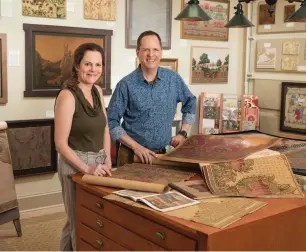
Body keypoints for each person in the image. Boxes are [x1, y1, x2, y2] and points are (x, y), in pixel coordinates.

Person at [107, 30, 196, 166]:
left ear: (161, 52)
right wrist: (136, 147)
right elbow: (112, 122)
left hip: (164, 155)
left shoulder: (173, 79)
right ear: (138, 53)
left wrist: (183, 132)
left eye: (155, 49)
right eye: (146, 50)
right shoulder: (125, 85)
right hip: (131, 156)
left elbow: (191, 102)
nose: (151, 54)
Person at [54, 43, 112, 251]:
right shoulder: (67, 96)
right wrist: (86, 168)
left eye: (98, 64)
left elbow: (105, 129)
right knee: (79, 221)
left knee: (89, 217)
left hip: (99, 162)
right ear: (77, 65)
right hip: (75, 164)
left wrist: (107, 160)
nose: (93, 69)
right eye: (88, 63)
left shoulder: (97, 90)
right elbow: (60, 144)